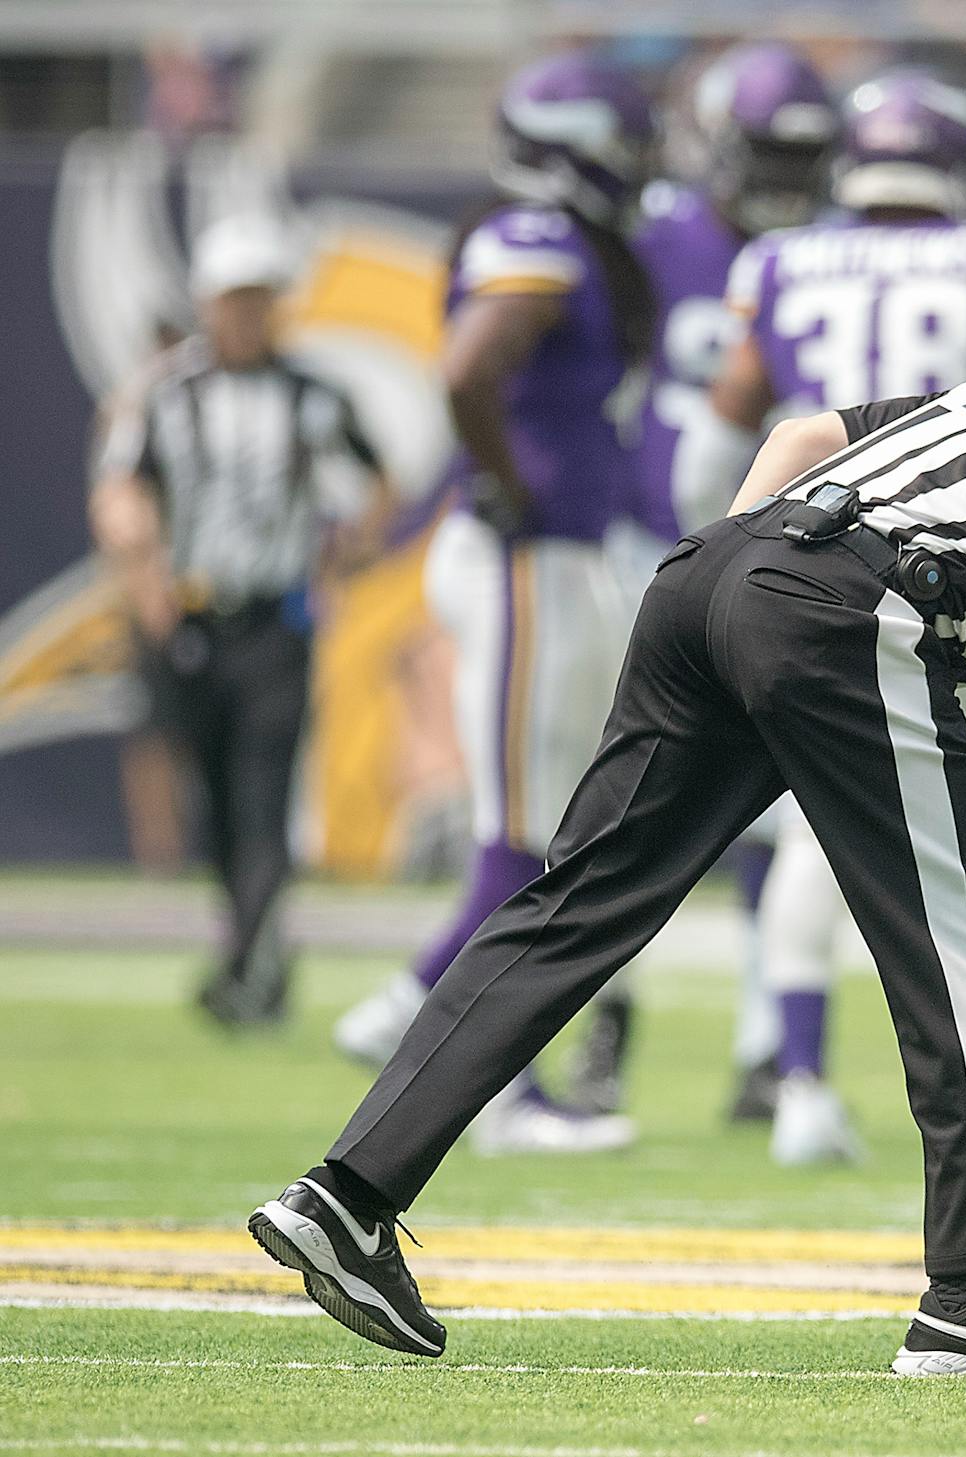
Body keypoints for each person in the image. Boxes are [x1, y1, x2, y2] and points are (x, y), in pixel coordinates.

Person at [249, 303, 966, 1376]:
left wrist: (749, 567)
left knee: (577, 902)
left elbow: (804, 432)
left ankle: (346, 1192)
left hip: (710, 575)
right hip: (846, 614)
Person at [702, 70, 966, 1164]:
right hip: (935, 571)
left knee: (811, 827)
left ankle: (794, 1063)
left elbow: (735, 400)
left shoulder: (778, 260)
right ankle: (934, 1089)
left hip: (802, 554)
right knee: (950, 843)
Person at [328, 54, 656, 1155]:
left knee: (548, 829)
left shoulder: (557, 238)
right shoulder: (538, 237)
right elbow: (468, 370)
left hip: (547, 560)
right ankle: (467, 1067)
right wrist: (510, 483)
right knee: (520, 837)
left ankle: (424, 1016)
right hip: (524, 558)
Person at [567, 41, 841, 1124]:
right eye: (765, 152)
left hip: (780, 559)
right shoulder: (656, 237)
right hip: (651, 547)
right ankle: (603, 1028)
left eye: (798, 156)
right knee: (624, 807)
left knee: (777, 811)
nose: (780, 178)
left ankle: (764, 1046)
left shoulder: (819, 258)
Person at [91, 216, 389, 1026]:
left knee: (264, 793)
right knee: (214, 796)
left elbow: (376, 479)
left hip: (274, 621)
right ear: (209, 303)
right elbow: (120, 487)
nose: (250, 315)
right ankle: (248, 951)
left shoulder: (310, 394)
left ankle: (254, 969)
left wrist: (343, 557)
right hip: (186, 616)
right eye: (237, 299)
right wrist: (143, 571)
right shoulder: (164, 392)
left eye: (262, 298)